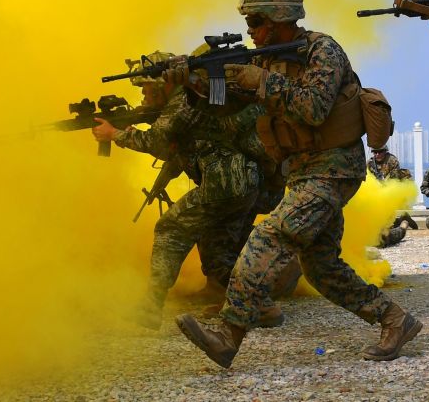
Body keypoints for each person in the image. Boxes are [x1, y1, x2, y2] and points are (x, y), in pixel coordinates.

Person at [173, 0, 422, 368]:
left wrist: (260, 80)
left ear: (278, 18)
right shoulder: (265, 59)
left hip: (334, 168)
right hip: (303, 170)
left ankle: (228, 335)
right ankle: (395, 320)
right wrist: (191, 83)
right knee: (321, 267)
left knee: (270, 235)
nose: (250, 31)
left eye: (255, 22)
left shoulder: (322, 51)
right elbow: (226, 110)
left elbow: (313, 109)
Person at [91, 52, 285, 330]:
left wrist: (115, 134)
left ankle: (150, 306)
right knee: (216, 248)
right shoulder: (190, 99)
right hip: (243, 182)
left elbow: (157, 142)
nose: (143, 95)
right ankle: (259, 306)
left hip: (226, 181)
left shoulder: (182, 101)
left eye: (146, 87)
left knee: (171, 228)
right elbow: (177, 144)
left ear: (162, 83)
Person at [367, 145, 418, 247]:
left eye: (380, 152)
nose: (377, 154)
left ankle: (402, 224)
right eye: (375, 152)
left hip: (391, 191)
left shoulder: (392, 160)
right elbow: (367, 178)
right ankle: (400, 221)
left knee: (384, 236)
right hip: (376, 192)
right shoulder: (370, 163)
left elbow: (393, 180)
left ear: (385, 152)